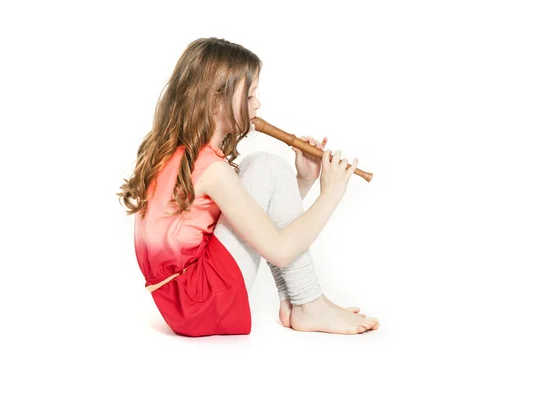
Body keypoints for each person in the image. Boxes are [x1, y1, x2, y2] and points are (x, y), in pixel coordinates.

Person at [117, 37, 379, 337]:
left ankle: (299, 305)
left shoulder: (183, 154)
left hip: (181, 302)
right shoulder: (212, 170)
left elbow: (253, 222)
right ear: (216, 99)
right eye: (251, 94)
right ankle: (309, 304)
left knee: (265, 167)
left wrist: (303, 180)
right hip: (201, 301)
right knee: (267, 165)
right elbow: (279, 249)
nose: (258, 104)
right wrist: (330, 195)